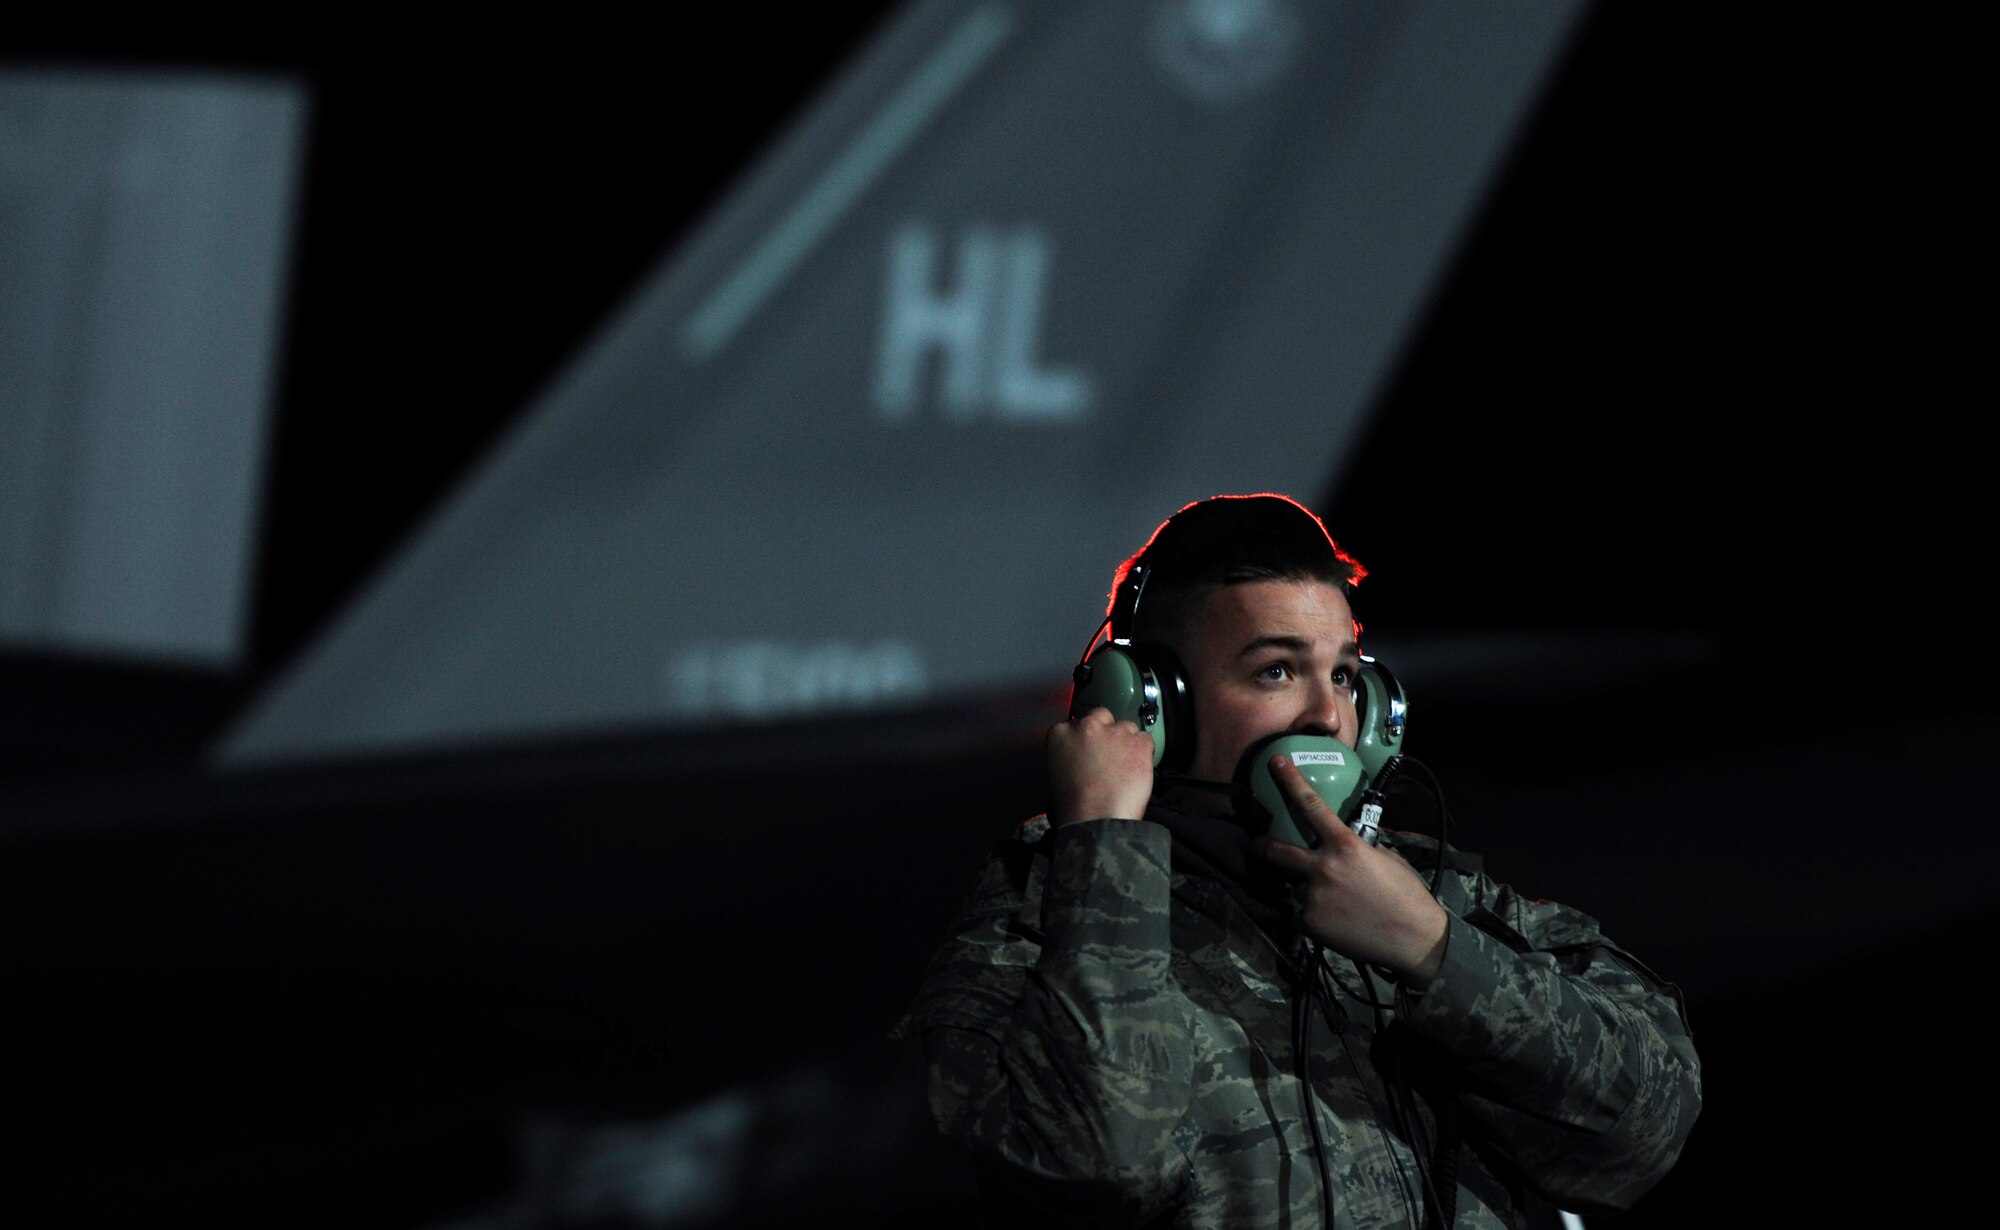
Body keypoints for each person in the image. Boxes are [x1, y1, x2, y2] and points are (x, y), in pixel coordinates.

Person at [896, 493, 1702, 1228]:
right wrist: (1103, 845)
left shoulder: (1438, 894)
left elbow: (1645, 1131)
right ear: (1153, 706)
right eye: (1276, 671)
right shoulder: (1046, 907)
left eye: (1345, 675)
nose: (1327, 713)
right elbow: (1099, 1161)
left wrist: (1433, 951)